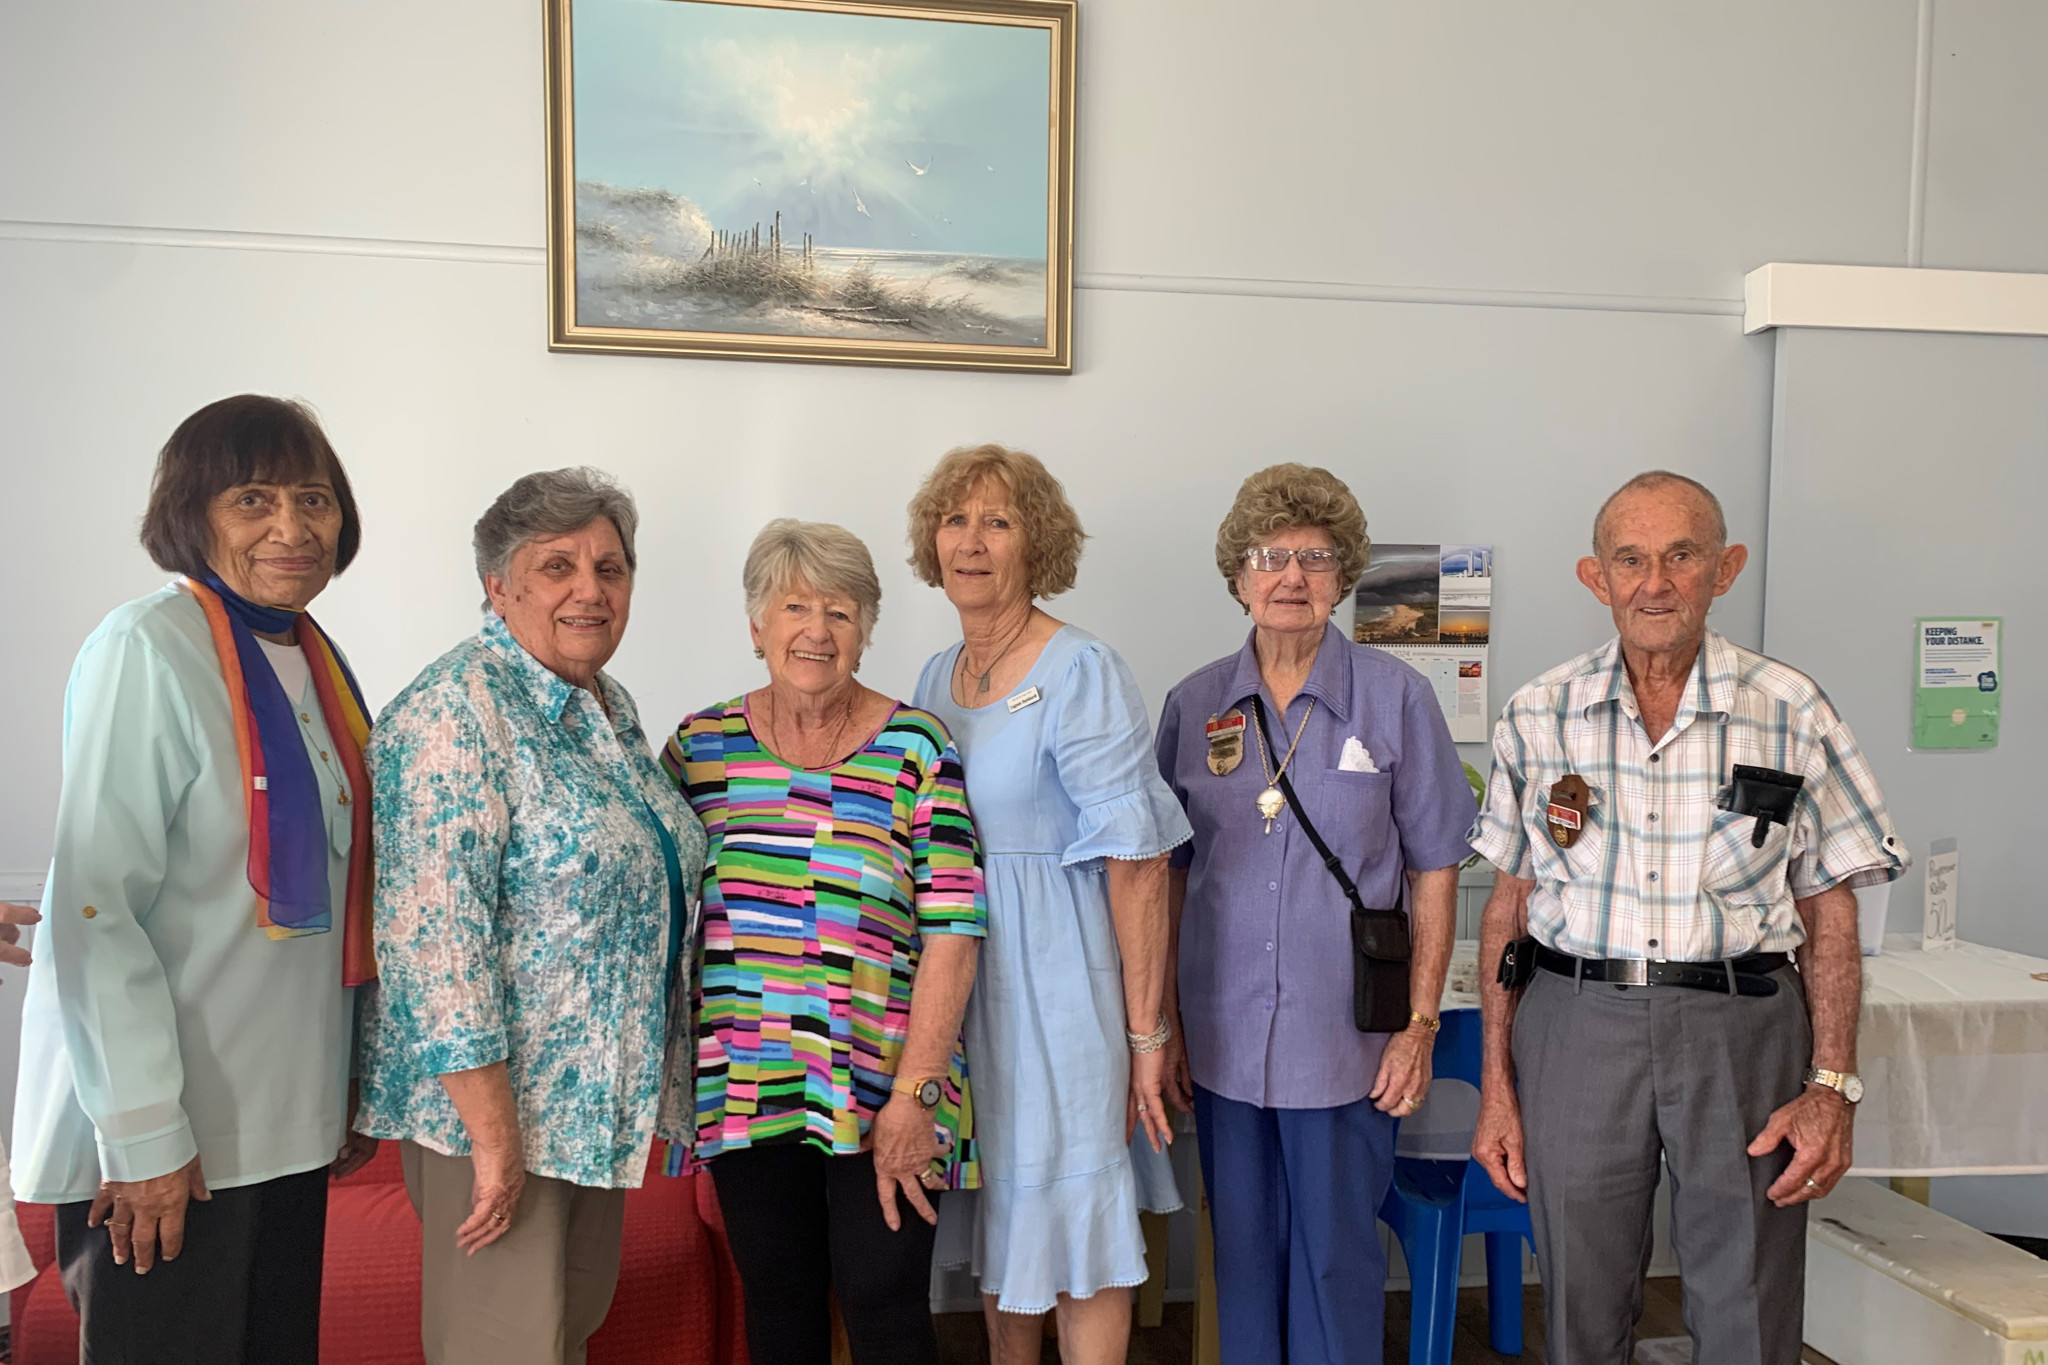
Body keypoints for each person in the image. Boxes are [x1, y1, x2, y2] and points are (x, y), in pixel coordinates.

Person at [1469, 471, 1907, 1365]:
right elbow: (1508, 908)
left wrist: (1832, 1087)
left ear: (1725, 568)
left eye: (1681, 555)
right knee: (1583, 1307)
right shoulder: (1538, 712)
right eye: (1630, 559)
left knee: (1748, 1299)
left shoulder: (1791, 709)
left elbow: (1830, 913)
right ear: (1597, 576)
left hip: (1741, 1028)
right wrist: (1499, 1090)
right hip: (1578, 1025)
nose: (1655, 582)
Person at [11, 395, 379, 1365]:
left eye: (314, 499)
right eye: (252, 498)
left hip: (284, 1128)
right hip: (172, 1140)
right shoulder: (148, 649)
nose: (292, 528)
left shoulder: (316, 663)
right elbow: (100, 910)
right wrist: (141, 1138)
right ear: (191, 511)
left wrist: (345, 1086)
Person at [353, 468, 706, 1365]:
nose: (591, 588)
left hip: (591, 1108)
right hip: (503, 1115)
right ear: (498, 585)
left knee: (561, 1338)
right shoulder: (453, 713)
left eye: (611, 567)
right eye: (558, 566)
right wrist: (496, 1142)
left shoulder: (601, 703)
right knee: (501, 1349)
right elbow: (435, 949)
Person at [1152, 463, 1475, 1364]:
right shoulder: (1194, 704)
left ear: (1344, 574)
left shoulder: (1397, 698)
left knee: (1335, 1263)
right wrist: (1164, 1026)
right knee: (1242, 1259)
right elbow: (1169, 876)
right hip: (1220, 1039)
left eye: (1315, 556)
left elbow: (1436, 867)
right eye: (1271, 555)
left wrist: (1418, 1023)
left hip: (1348, 1044)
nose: (1291, 576)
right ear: (1238, 573)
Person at [662, 518, 985, 1365]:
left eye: (840, 612)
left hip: (887, 1078)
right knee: (780, 1301)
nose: (816, 630)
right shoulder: (699, 749)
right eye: (794, 606)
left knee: (884, 1301)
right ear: (756, 624)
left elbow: (955, 926)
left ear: (867, 629)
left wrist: (915, 1092)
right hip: (747, 1077)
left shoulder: (917, 745)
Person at [907, 444, 1190, 1365]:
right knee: (1005, 1200)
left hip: (1065, 984)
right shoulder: (930, 679)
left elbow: (1139, 862)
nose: (972, 541)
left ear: (1040, 543)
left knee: (1078, 1219)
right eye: (955, 519)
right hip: (965, 982)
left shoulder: (1081, 668)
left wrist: (1146, 1036)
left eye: (998, 520)